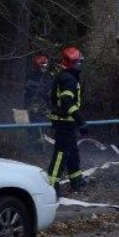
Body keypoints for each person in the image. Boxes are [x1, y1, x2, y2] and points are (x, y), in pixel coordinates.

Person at [47, 45, 89, 191]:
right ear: (71, 63)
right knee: (61, 153)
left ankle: (76, 181)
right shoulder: (68, 79)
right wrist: (81, 120)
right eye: (78, 62)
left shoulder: (69, 76)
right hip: (63, 122)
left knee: (72, 151)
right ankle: (52, 184)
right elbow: (67, 102)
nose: (80, 65)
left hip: (66, 122)